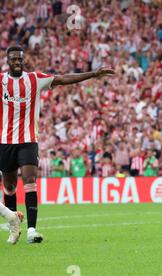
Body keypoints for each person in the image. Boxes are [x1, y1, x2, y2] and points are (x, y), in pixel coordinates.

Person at [0, 46, 114, 244]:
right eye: (13, 60)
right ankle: (14, 225)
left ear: (23, 60)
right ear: (8, 61)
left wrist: (93, 74)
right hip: (5, 142)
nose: (17, 62)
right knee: (9, 187)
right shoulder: (1, 80)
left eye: (20, 59)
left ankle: (32, 230)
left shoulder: (35, 79)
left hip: (28, 140)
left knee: (30, 180)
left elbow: (62, 78)